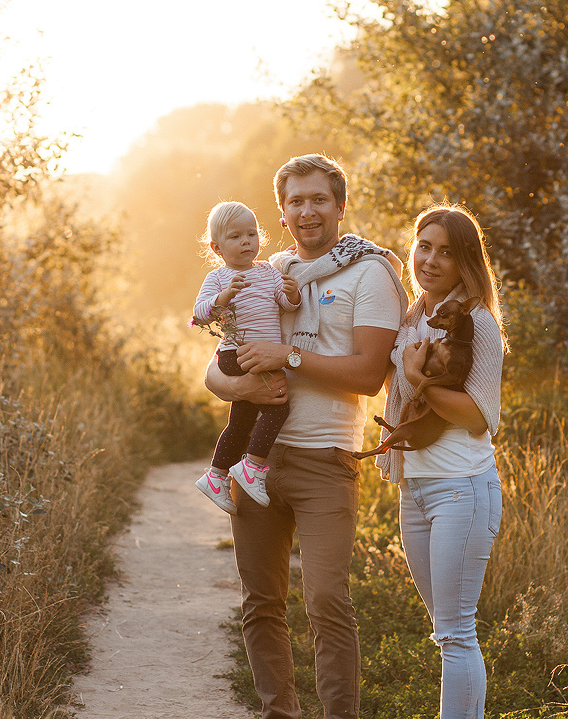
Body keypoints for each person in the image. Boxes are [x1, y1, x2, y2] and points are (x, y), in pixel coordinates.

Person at [205, 154, 408, 719]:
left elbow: (370, 374)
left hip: (327, 459)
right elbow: (214, 370)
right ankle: (279, 711)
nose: (308, 210)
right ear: (282, 211)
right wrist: (241, 392)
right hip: (257, 461)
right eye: (296, 200)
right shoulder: (265, 271)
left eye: (319, 199)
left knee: (325, 600)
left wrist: (288, 354)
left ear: (340, 206)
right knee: (262, 603)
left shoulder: (371, 273)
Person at [375, 204, 507, 719]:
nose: (430, 259)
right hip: (416, 489)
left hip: (462, 487)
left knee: (456, 632)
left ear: (464, 261)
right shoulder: (413, 315)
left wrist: (422, 378)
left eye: (445, 252)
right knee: (445, 630)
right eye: (424, 246)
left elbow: (477, 416)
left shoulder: (476, 322)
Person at [192, 201, 301, 514]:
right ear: (217, 247)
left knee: (240, 421)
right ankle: (252, 467)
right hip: (236, 353)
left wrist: (292, 294)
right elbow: (200, 315)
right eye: (236, 237)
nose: (246, 242)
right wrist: (225, 297)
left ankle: (215, 476)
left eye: (251, 234)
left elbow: (285, 303)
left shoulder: (268, 271)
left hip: (257, 355)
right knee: (277, 405)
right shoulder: (217, 278)